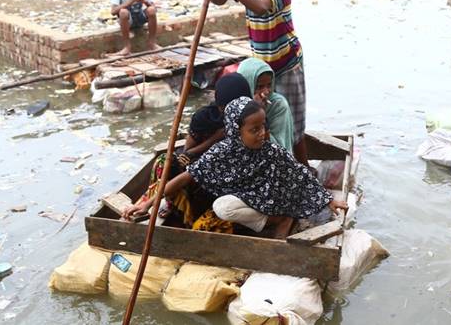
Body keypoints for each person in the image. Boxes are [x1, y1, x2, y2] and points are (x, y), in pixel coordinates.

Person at [126, 97, 347, 238]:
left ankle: (284, 216)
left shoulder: (270, 150)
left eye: (263, 127)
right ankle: (275, 220)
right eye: (254, 130)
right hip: (249, 201)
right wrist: (147, 205)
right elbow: (186, 178)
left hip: (275, 198)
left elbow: (299, 172)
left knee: (288, 180)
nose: (262, 134)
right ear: (236, 131)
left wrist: (330, 200)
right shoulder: (221, 152)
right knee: (222, 207)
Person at [200, 0, 309, 164]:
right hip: (259, 68)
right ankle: (266, 166)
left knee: (293, 122)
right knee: (258, 119)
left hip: (286, 62)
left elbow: (261, 7)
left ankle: (303, 166)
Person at [122, 74, 252, 230]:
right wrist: (215, 140)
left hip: (235, 179)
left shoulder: (251, 119)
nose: (231, 112)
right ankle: (173, 205)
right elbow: (189, 154)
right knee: (166, 162)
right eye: (226, 107)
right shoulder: (205, 119)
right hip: (202, 163)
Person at [237, 57, 294, 152]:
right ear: (247, 84)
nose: (266, 92)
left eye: (269, 85)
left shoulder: (278, 105)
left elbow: (279, 148)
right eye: (259, 87)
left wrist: (259, 112)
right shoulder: (237, 103)